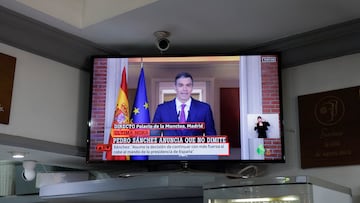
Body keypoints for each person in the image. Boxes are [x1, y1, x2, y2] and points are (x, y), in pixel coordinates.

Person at [152, 72, 217, 136]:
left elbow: (211, 137)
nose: (184, 89)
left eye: (188, 85)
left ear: (192, 87)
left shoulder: (204, 109)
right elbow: (153, 138)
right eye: (181, 85)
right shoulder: (162, 109)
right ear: (175, 87)